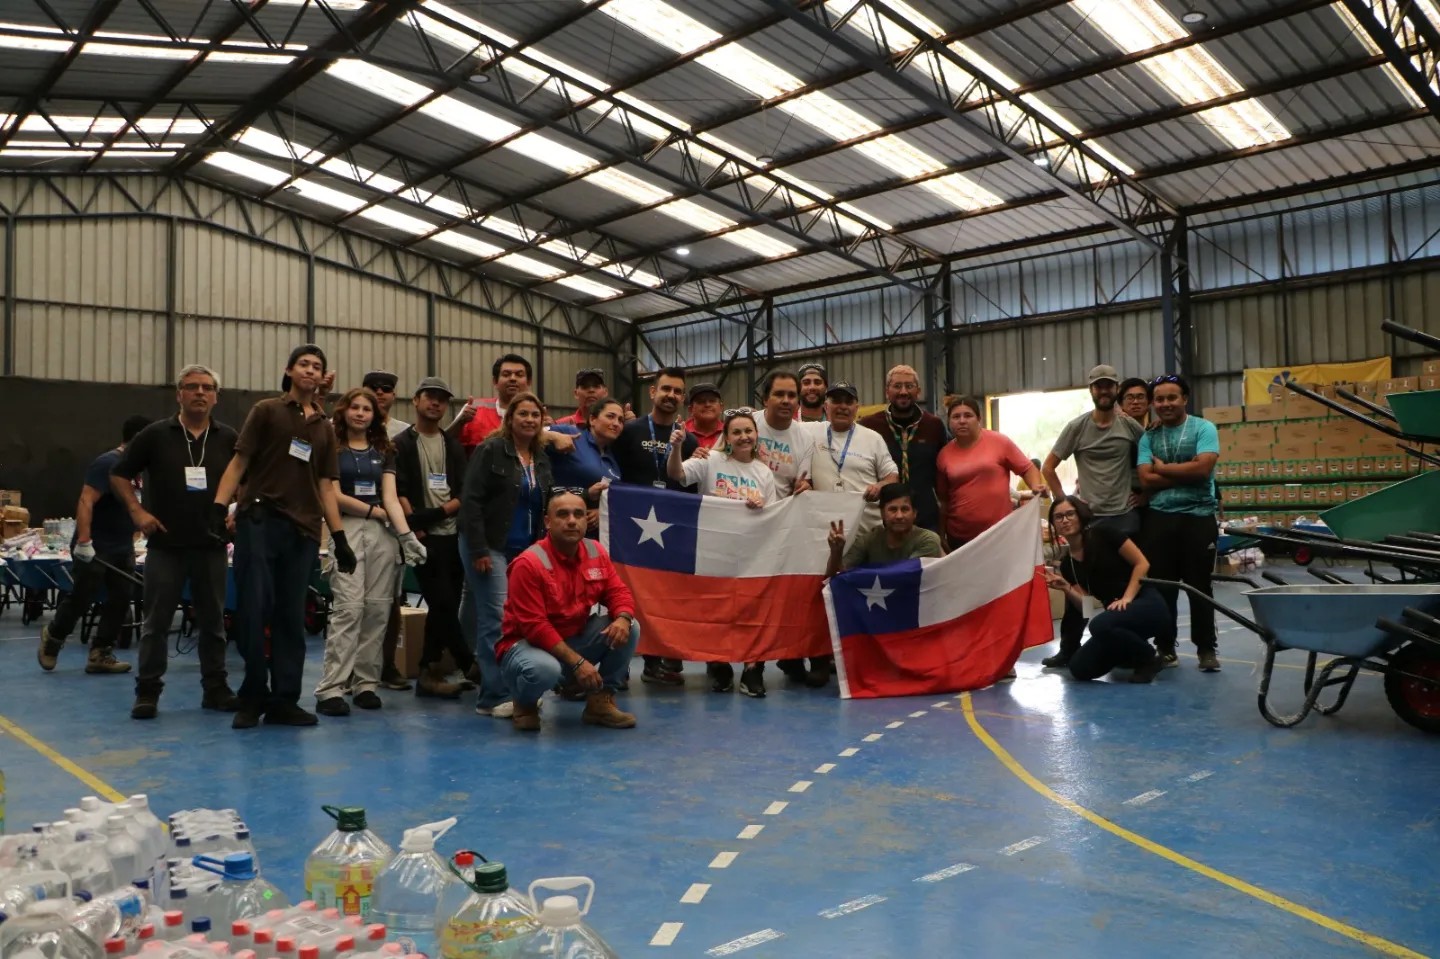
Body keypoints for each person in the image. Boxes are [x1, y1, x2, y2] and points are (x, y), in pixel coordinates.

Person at [212, 344, 355, 729]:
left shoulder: (324, 427)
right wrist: (219, 506)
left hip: (303, 531)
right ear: (289, 371)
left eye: (317, 366)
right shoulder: (267, 411)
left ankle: (284, 700)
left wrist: (339, 538)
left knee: (291, 617)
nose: (310, 370)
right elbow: (239, 461)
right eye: (304, 364)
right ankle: (253, 694)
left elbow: (326, 485)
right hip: (259, 521)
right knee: (254, 609)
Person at [110, 366, 237, 718]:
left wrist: (236, 510)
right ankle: (148, 692)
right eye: (191, 387)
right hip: (165, 547)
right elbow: (119, 473)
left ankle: (216, 688)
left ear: (216, 396)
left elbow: (247, 477)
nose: (200, 392)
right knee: (155, 625)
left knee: (213, 624)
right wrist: (137, 513)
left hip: (211, 545)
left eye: (207, 388)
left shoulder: (228, 438)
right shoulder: (154, 435)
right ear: (178, 394)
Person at [314, 388, 427, 717]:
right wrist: (372, 512)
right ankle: (332, 688)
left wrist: (406, 536)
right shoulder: (332, 447)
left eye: (367, 409)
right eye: (355, 407)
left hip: (383, 534)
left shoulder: (384, 449)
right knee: (349, 608)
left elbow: (389, 497)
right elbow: (331, 495)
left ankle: (365, 683)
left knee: (378, 610)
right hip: (346, 527)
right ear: (344, 411)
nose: (361, 413)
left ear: (375, 416)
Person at [497, 490, 640, 732]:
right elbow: (535, 627)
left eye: (578, 514)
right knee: (544, 670)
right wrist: (578, 664)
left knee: (631, 627)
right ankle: (525, 702)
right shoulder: (529, 563)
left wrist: (624, 618)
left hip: (573, 639)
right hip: (528, 646)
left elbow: (618, 593)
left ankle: (600, 702)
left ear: (587, 519)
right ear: (547, 522)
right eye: (562, 514)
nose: (572, 520)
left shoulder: (595, 551)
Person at [1039, 365, 1146, 670]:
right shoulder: (1077, 427)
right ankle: (1069, 648)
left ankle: (1130, 648)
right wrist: (1066, 502)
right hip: (1091, 522)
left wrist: (1144, 494)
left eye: (1109, 386)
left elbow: (1149, 462)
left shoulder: (1130, 427)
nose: (1104, 391)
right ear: (1091, 391)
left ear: (1116, 390)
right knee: (1077, 585)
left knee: (1125, 587)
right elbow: (1048, 467)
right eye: (1099, 386)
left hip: (1124, 517)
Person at [461, 391, 554, 719]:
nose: (529, 420)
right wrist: (478, 548)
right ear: (510, 418)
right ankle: (493, 696)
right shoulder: (491, 450)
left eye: (535, 415)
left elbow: (546, 500)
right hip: (490, 546)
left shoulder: (541, 457)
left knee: (478, 612)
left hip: (524, 551)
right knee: (496, 620)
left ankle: (489, 673)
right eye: (523, 414)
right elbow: (470, 500)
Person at [668, 410, 775, 697]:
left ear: (756, 436)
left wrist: (762, 503)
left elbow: (773, 518)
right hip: (713, 553)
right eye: (737, 432)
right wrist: (677, 446)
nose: (744, 437)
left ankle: (753, 671)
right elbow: (676, 475)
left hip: (751, 555)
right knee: (716, 611)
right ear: (726, 437)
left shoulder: (764, 473)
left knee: (753, 614)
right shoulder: (710, 461)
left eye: (748, 431)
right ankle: (720, 666)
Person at [36, 415, 151, 677]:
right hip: (97, 546)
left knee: (121, 598)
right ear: (139, 439)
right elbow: (86, 501)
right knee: (82, 597)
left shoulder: (134, 471)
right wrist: (85, 541)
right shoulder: (108, 463)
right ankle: (53, 638)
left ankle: (101, 653)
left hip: (122, 546)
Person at [394, 376, 480, 698]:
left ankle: (428, 673)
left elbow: (463, 493)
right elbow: (399, 490)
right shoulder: (401, 443)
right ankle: (468, 662)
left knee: (444, 604)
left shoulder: (452, 445)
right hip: (420, 537)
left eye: (442, 399)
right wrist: (412, 524)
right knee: (442, 600)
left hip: (450, 534)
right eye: (429, 397)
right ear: (416, 401)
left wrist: (434, 515)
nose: (436, 403)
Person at [613, 367, 696, 686]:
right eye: (666, 389)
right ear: (652, 392)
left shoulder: (687, 440)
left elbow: (691, 485)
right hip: (630, 530)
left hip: (671, 533)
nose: (671, 395)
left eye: (677, 391)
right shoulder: (629, 431)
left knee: (666, 596)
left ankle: (658, 660)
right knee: (631, 595)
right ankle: (619, 665)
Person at [1137, 374, 1222, 673]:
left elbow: (1203, 469)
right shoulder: (1149, 437)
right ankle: (1165, 647)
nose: (1165, 404)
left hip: (1199, 519)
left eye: (1172, 397)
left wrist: (1164, 469)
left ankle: (1206, 648)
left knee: (1200, 587)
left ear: (1185, 399)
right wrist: (1180, 471)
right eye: (1159, 399)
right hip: (1160, 520)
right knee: (1163, 588)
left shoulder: (1204, 428)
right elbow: (1145, 478)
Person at [1045, 497, 1166, 683]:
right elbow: (1086, 608)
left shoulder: (1105, 533)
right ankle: (1128, 654)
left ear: (1080, 515)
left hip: (1145, 603)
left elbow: (1142, 563)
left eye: (1070, 514)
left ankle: (1150, 659)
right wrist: (1066, 589)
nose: (1065, 520)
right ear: (1053, 524)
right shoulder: (1068, 565)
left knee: (1099, 625)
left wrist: (1127, 598)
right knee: (1079, 668)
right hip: (1115, 616)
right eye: (1058, 517)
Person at [936, 395, 1046, 551]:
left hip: (1000, 534)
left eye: (968, 415)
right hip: (960, 537)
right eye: (956, 417)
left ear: (978, 419)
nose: (962, 421)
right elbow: (943, 501)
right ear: (949, 422)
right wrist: (941, 535)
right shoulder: (944, 455)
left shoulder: (1000, 442)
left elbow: (1027, 468)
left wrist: (1036, 486)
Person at [360, 369, 414, 692]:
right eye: (374, 388)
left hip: (391, 528)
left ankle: (388, 664)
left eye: (387, 389)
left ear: (394, 395)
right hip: (353, 523)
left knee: (391, 599)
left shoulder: (402, 434)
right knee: (353, 602)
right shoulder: (345, 426)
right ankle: (355, 667)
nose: (380, 394)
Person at [858, 365, 946, 534]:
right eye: (897, 386)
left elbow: (946, 469)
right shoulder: (869, 426)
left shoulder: (934, 425)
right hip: (883, 519)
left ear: (918, 391)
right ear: (887, 391)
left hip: (926, 517)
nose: (903, 391)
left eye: (909, 386)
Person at [824, 483, 943, 579]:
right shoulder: (869, 540)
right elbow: (836, 577)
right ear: (882, 513)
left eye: (905, 509)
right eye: (892, 509)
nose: (899, 516)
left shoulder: (928, 540)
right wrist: (836, 552)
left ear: (915, 514)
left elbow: (907, 578)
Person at [549, 399, 624, 536]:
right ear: (593, 420)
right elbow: (530, 434)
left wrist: (600, 511)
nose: (616, 423)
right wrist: (553, 436)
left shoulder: (613, 459)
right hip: (560, 527)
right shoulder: (571, 434)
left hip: (591, 536)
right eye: (610, 416)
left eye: (620, 420)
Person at [450, 353, 533, 455]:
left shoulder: (536, 416)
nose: (512, 378)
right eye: (506, 374)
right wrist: (460, 422)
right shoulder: (473, 410)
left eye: (519, 375)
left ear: (529, 382)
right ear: (495, 381)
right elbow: (446, 442)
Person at [753, 370, 816, 498]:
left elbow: (803, 482)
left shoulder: (806, 439)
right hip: (741, 511)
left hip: (779, 513)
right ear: (765, 399)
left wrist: (804, 486)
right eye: (779, 394)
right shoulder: (746, 424)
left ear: (798, 403)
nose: (786, 401)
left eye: (792, 395)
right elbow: (720, 456)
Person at [362, 370, 409, 440]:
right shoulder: (352, 428)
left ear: (393, 396)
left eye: (386, 389)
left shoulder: (405, 431)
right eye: (373, 388)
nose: (379, 392)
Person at [683, 382, 724, 450]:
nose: (707, 405)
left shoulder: (730, 432)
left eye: (712, 401)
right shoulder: (681, 433)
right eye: (701, 401)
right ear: (690, 409)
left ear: (721, 407)